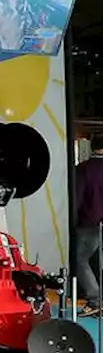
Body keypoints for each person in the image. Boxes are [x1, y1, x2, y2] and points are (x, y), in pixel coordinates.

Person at [75, 134, 104, 316]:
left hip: (89, 223)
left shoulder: (84, 170)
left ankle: (95, 299)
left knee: (79, 259)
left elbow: (77, 197)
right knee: (99, 261)